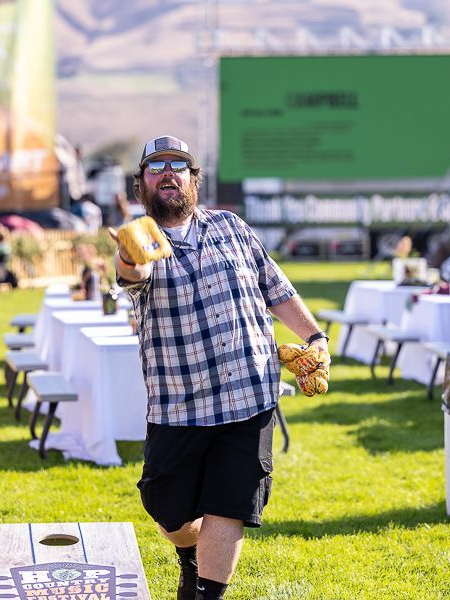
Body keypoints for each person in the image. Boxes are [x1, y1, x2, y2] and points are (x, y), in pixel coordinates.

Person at [111, 135, 330, 600]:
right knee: (169, 512)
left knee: (228, 504)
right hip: (179, 405)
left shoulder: (231, 226)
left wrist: (314, 336)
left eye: (178, 166)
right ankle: (189, 557)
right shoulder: (144, 236)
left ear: (194, 179)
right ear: (141, 185)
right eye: (156, 168)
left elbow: (277, 289)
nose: (168, 174)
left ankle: (207, 591)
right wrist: (129, 257)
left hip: (249, 395)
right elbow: (132, 275)